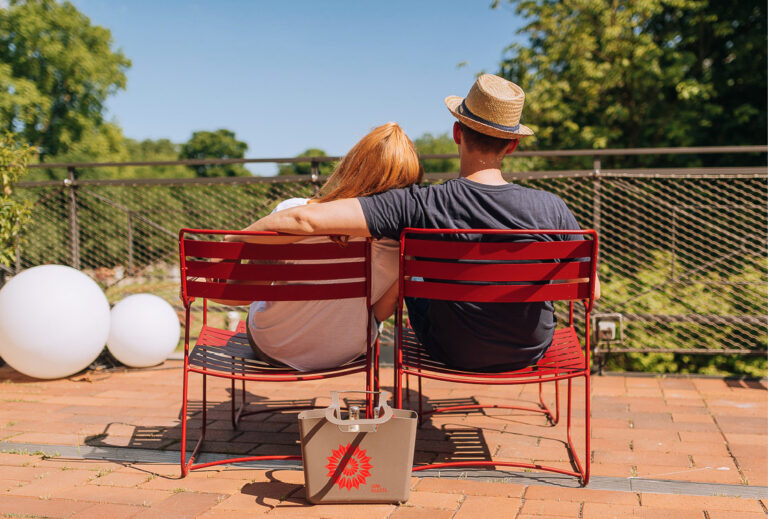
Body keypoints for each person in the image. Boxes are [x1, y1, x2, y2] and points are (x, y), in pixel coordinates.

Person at [232, 75, 600, 372]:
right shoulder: (553, 208)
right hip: (529, 351)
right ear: (512, 146)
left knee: (414, 271)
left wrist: (228, 245)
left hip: (452, 350)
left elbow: (302, 218)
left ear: (458, 133)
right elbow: (590, 290)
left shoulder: (420, 203)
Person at [221, 122, 423, 371]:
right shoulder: (403, 241)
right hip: (348, 350)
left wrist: (237, 237)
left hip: (274, 345)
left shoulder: (290, 211)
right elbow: (381, 312)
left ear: (352, 167)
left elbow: (243, 294)